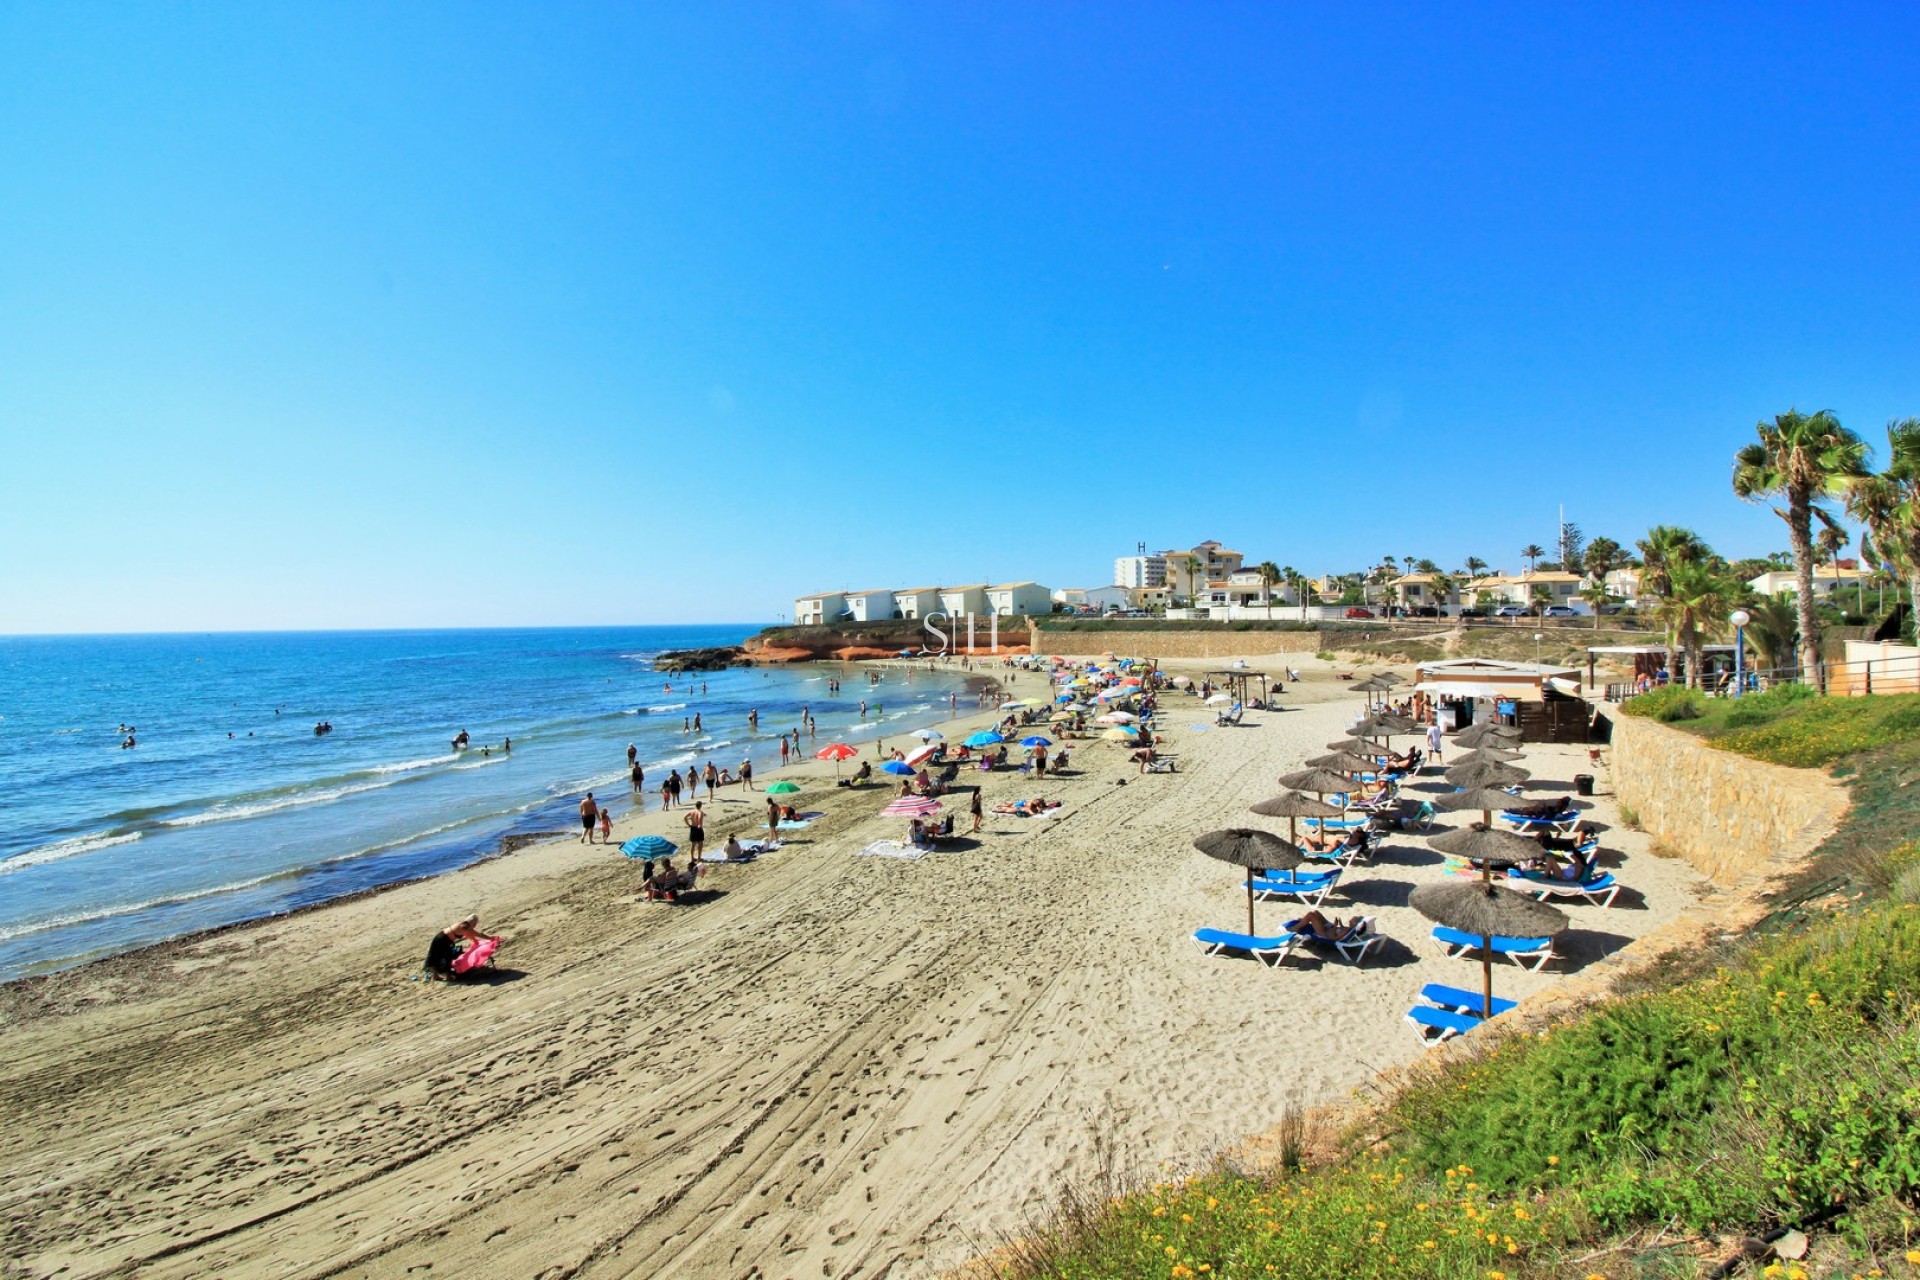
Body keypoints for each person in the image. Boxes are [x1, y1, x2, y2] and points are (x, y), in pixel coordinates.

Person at [424, 915, 496, 980]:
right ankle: (446, 976)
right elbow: (478, 934)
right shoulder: (466, 926)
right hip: (443, 939)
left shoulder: (463, 924)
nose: (475, 925)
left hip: (443, 938)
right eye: (474, 923)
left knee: (440, 955)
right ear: (471, 922)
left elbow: (467, 934)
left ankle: (436, 975)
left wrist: (474, 940)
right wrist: (489, 938)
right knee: (444, 957)